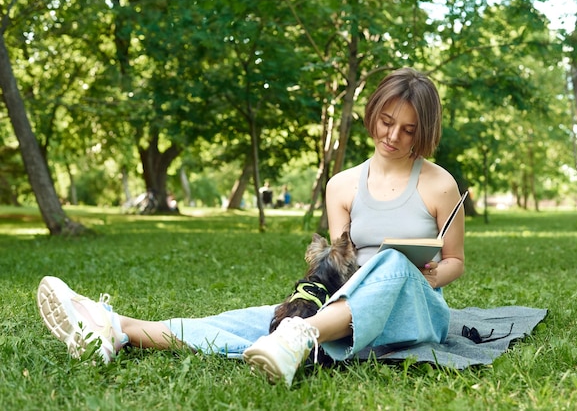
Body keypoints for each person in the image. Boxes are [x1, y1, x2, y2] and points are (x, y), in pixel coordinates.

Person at [36, 67, 464, 387]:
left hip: (417, 309)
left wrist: (430, 274)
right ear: (373, 114)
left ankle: (303, 335)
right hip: (348, 308)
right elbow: (341, 264)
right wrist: (311, 302)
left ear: (421, 132)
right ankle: (112, 326)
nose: (392, 136)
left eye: (408, 130)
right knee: (238, 323)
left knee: (391, 261)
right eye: (386, 122)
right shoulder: (343, 185)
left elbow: (456, 262)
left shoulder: (439, 184)